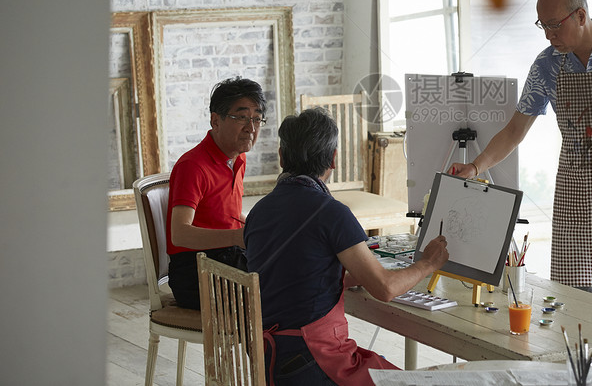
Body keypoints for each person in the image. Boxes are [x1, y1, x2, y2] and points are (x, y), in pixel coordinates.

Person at [450, 0, 592, 376]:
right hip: (577, 189)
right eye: (543, 25)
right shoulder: (548, 64)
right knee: (573, 303)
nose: (549, 34)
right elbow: (516, 129)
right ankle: (580, 380)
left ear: (581, 15)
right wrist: (476, 167)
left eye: (555, 24)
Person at [244, 107, 449, 386]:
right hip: (311, 361)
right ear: (333, 159)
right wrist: (428, 263)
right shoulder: (331, 213)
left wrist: (345, 277)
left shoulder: (258, 212)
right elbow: (385, 289)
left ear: (282, 158)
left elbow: (292, 274)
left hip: (270, 360)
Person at [166, 76, 267, 309]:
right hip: (195, 272)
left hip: (226, 258)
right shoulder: (193, 166)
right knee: (277, 289)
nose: (251, 128)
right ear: (215, 120)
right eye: (241, 117)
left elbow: (225, 215)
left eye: (257, 119)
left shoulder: (237, 158)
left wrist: (257, 227)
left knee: (291, 268)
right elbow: (179, 234)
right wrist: (236, 236)